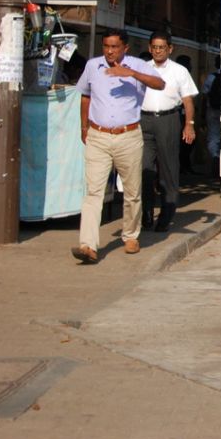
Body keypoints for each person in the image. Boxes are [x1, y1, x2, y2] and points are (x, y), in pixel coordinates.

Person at [72, 29, 165, 264]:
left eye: (114, 46)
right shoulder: (93, 66)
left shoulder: (138, 65)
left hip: (128, 136)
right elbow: (85, 95)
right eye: (106, 46)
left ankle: (131, 236)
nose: (109, 51)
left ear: (125, 48)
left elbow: (159, 84)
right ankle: (88, 245)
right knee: (93, 192)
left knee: (132, 192)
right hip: (98, 136)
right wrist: (84, 127)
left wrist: (130, 73)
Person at [139, 31, 198, 233]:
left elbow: (188, 100)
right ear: (150, 48)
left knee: (168, 169)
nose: (157, 51)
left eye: (161, 47)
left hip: (168, 120)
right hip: (143, 120)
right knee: (144, 168)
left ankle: (166, 213)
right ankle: (146, 212)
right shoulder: (142, 68)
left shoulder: (179, 71)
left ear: (170, 49)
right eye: (154, 47)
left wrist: (189, 124)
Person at [174, 54, 197, 173]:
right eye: (189, 64)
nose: (191, 66)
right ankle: (181, 166)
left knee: (188, 141)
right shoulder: (177, 76)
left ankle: (185, 165)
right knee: (181, 142)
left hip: (185, 114)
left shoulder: (187, 77)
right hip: (176, 114)